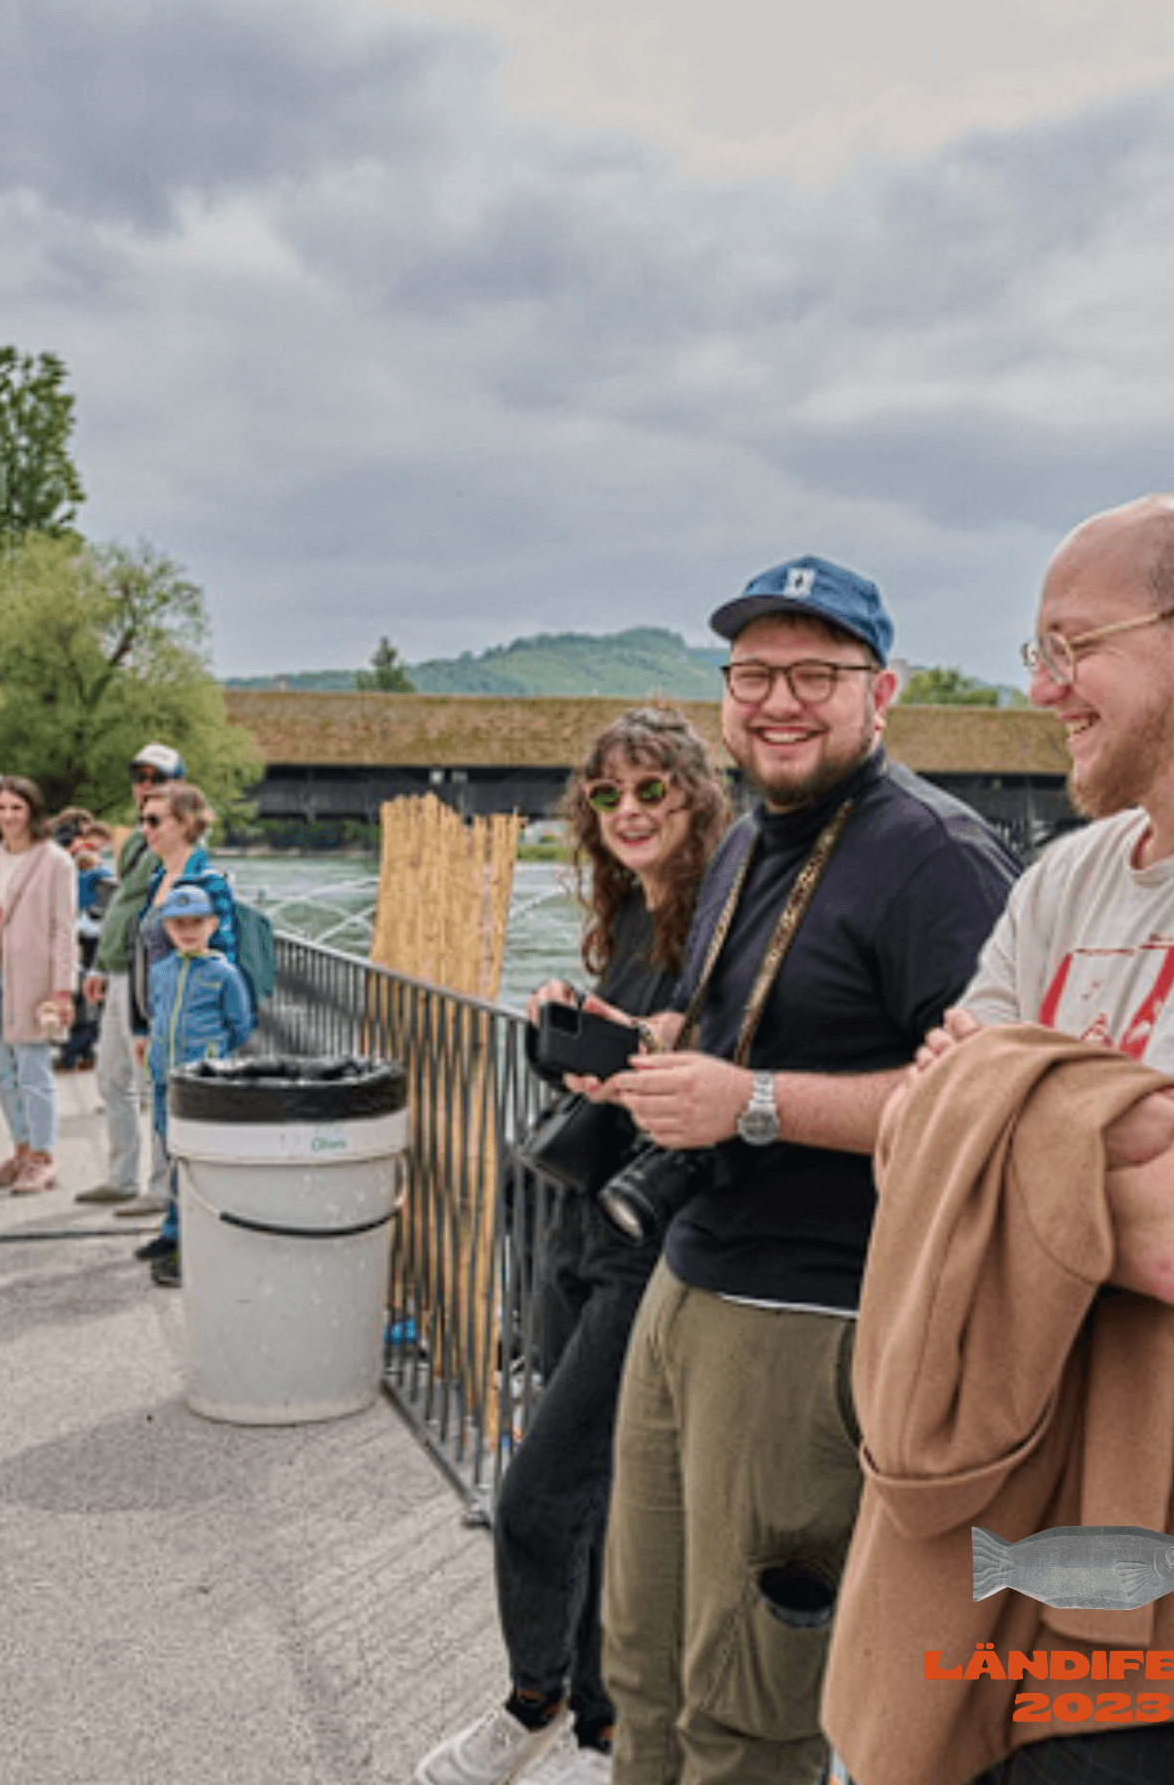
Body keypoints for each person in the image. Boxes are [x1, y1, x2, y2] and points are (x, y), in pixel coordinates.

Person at [884, 494, 1174, 1785]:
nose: (1042, 688)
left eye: (1069, 646)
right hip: (1031, 1450)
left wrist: (998, 1103)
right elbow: (909, 1149)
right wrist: (1133, 1115)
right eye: (1036, 652)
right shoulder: (1061, 881)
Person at [588, 559, 1018, 1785]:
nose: (779, 700)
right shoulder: (744, 838)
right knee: (642, 1661)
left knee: (749, 1701)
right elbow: (742, 1028)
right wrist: (643, 1049)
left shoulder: (937, 856)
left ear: (881, 691)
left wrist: (755, 1104)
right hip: (688, 1281)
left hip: (814, 1310)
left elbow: (983, 1107)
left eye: (815, 674)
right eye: (754, 673)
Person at [416, 705, 731, 1785]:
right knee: (592, 1493)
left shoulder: (725, 920)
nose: (626, 810)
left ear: (696, 795)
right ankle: (599, 1724)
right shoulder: (633, 916)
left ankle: (534, 1701)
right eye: (606, 794)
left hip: (653, 1237)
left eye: (651, 789)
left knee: (537, 1495)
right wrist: (568, 1019)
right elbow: (624, 1061)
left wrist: (656, 1050)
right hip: (575, 1217)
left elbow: (729, 1066)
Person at [128, 782, 239, 1284]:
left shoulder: (206, 880)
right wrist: (142, 1025)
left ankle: (191, 1242)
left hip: (195, 1038)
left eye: (156, 820)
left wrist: (215, 1039)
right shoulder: (159, 877)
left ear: (187, 822)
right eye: (143, 820)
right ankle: (175, 1229)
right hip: (161, 1030)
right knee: (169, 1137)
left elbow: (224, 959)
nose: (145, 830)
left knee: (192, 1142)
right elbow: (147, 957)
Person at [76, 744, 185, 1210]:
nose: (146, 785)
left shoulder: (178, 839)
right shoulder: (140, 838)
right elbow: (122, 903)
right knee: (112, 1078)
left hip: (150, 972)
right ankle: (122, 1177)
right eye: (140, 777)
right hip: (121, 968)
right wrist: (101, 964)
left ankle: (162, 1186)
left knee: (154, 1082)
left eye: (157, 778)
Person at [133, 881, 254, 1289]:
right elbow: (157, 1014)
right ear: (167, 928)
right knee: (173, 1157)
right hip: (164, 1081)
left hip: (199, 1086)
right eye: (178, 924)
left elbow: (240, 1025)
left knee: (194, 1163)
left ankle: (191, 1245)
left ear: (212, 925)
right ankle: (173, 1232)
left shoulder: (223, 974)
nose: (187, 931)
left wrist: (211, 1057)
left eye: (196, 923)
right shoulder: (162, 970)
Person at [0, 777, 76, 1195]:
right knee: (0, 1071)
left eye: (16, 808)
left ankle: (42, 1159)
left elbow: (64, 929)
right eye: (1, 808)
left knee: (32, 1069)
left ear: (32, 812)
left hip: (33, 978)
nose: (8, 816)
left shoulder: (55, 861)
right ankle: (21, 1150)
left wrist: (62, 989)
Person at [57, 822, 115, 1073]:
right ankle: (80, 1052)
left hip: (77, 936)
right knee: (90, 1000)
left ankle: (75, 1052)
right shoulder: (98, 876)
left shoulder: (67, 875)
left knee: (82, 998)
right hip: (91, 938)